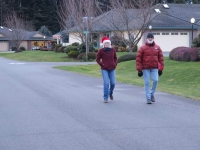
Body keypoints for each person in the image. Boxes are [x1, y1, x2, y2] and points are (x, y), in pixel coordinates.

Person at [136, 33, 164, 104]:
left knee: (156, 80)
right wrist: (139, 70)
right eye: (149, 38)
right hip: (146, 68)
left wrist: (161, 69)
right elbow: (138, 59)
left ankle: (152, 94)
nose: (150, 39)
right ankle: (148, 98)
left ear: (153, 38)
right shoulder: (142, 48)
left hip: (154, 67)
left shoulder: (157, 47)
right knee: (147, 83)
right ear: (147, 39)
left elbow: (161, 59)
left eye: (151, 38)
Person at [96, 36, 118, 103]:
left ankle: (110, 93)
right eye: (105, 43)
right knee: (106, 83)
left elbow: (115, 58)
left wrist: (115, 64)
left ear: (110, 44)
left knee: (113, 83)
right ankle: (105, 97)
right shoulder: (101, 51)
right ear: (103, 44)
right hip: (104, 69)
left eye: (108, 43)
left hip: (112, 68)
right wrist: (102, 64)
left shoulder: (113, 50)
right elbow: (97, 59)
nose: (107, 44)